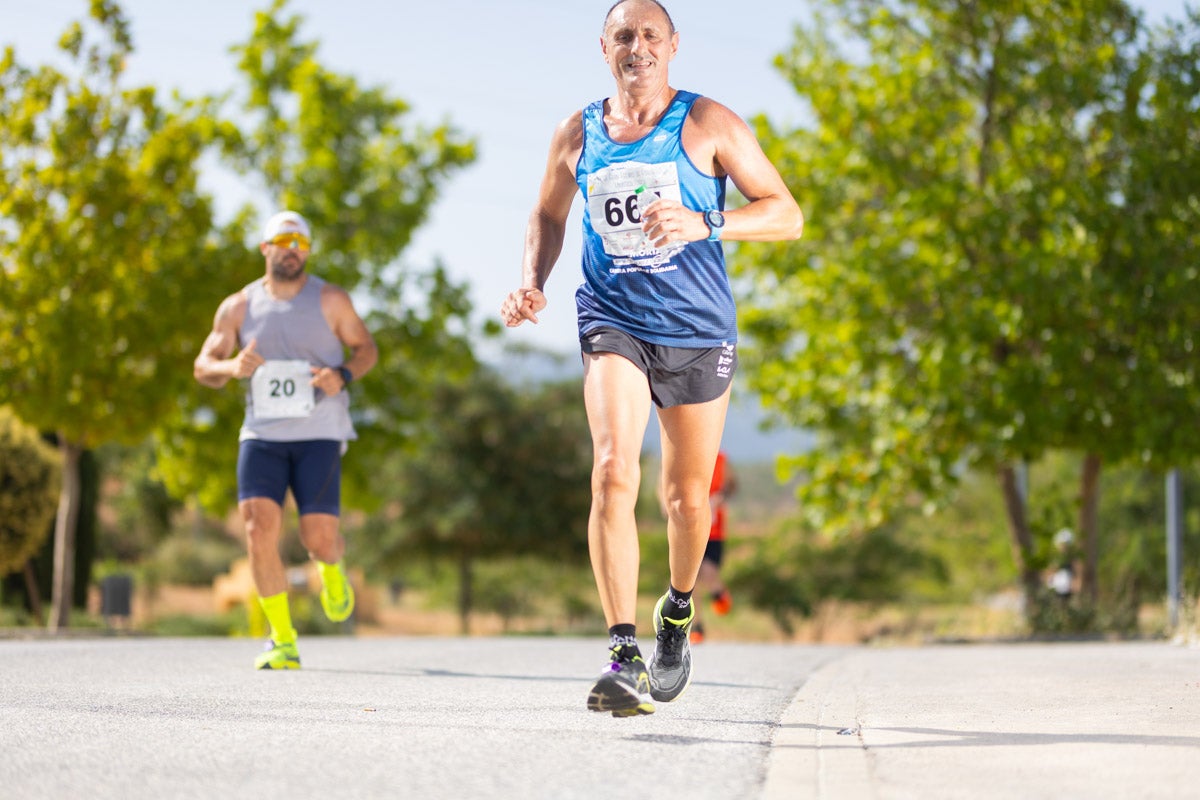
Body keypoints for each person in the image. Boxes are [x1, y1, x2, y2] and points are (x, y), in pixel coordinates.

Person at [501, 0, 803, 717]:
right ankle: (622, 652)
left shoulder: (709, 123)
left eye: (649, 36)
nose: (636, 47)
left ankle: (677, 610)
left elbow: (787, 213)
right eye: (623, 36)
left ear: (673, 47)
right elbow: (547, 214)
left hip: (698, 329)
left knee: (686, 499)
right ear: (602, 47)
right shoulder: (576, 132)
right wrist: (530, 283)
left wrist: (708, 221)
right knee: (611, 470)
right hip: (614, 320)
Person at [194, 210, 378, 670]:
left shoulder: (331, 300)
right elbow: (203, 366)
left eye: (301, 242)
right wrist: (230, 367)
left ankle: (331, 569)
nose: (293, 249)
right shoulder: (237, 307)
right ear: (265, 248)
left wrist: (342, 374)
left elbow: (367, 349)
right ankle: (282, 640)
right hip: (261, 433)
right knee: (257, 530)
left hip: (319, 431)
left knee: (317, 538)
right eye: (284, 240)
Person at [690, 450, 737, 644]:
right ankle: (696, 627)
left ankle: (718, 592)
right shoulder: (684, 453)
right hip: (690, 530)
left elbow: (733, 484)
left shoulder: (722, 459)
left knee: (708, 573)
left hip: (715, 532)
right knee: (690, 581)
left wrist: (720, 497)